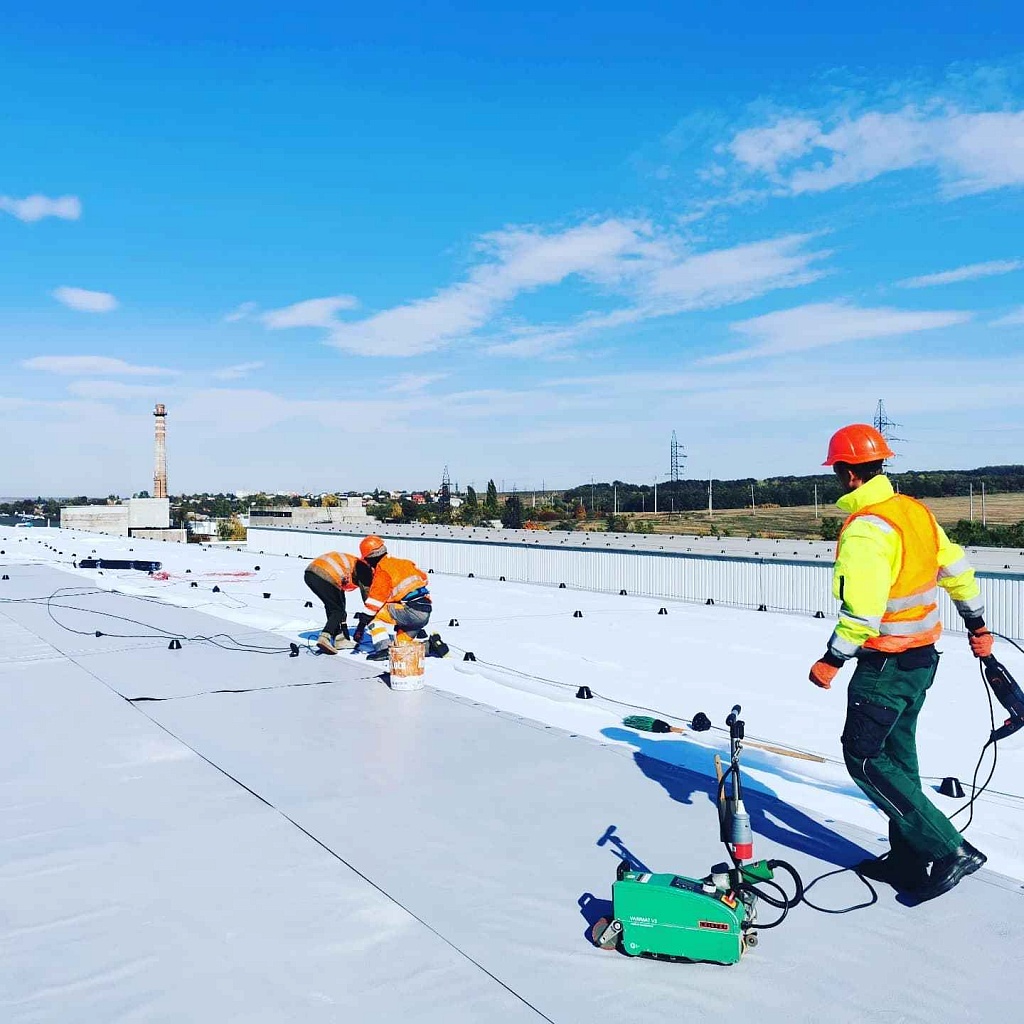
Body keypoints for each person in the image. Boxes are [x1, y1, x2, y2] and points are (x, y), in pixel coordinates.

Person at [809, 423, 992, 902]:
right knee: (899, 758)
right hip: (922, 661)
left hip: (885, 665)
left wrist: (831, 659)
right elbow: (957, 571)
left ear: (848, 474)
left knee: (864, 756)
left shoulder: (866, 529)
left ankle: (950, 850)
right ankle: (908, 860)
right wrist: (977, 625)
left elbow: (863, 613)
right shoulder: (915, 512)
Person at [352, 535, 431, 662]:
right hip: (425, 610)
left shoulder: (382, 570)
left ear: (370, 558)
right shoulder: (405, 563)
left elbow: (374, 604)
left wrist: (361, 626)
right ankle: (430, 646)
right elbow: (424, 578)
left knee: (373, 614)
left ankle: (383, 649)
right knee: (399, 648)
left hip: (410, 611)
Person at [304, 551, 372, 654]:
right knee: (337, 610)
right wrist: (366, 620)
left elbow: (340, 597)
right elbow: (368, 599)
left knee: (332, 606)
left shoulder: (352, 565)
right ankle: (325, 637)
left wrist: (344, 628)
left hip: (310, 574)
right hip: (325, 574)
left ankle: (339, 639)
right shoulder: (365, 570)